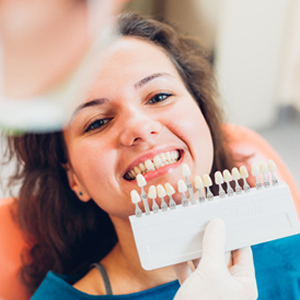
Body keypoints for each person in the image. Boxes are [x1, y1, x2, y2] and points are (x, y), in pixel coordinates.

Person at [3, 11, 261, 299]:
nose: (139, 127)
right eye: (97, 122)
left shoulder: (288, 244)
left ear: (202, 111)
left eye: (159, 96)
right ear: (75, 179)